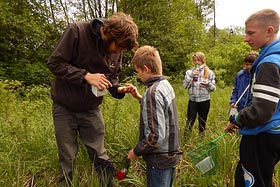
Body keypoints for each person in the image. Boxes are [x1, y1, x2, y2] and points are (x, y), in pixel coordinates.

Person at [46, 12, 138, 187]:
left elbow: (112, 78)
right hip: (65, 107)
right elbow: (55, 64)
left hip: (91, 109)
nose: (119, 52)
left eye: (122, 50)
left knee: (100, 154)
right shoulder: (77, 31)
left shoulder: (118, 48)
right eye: (118, 48)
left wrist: (118, 89)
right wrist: (85, 76)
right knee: (68, 157)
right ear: (108, 33)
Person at [225, 9, 280, 187]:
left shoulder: (268, 64)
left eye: (250, 33)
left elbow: (261, 112)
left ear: (269, 31)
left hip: (262, 135)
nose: (245, 38)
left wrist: (237, 118)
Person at [126, 45, 181, 187]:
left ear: (146, 69)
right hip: (170, 155)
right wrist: (140, 98)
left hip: (159, 159)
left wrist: (136, 151)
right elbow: (161, 113)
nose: (138, 76)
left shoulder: (152, 92)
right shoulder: (165, 84)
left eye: (138, 72)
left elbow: (155, 137)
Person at [183, 52, 216, 137]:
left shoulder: (209, 72)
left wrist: (207, 84)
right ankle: (185, 139)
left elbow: (213, 89)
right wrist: (192, 76)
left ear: (202, 60)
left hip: (204, 100)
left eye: (198, 60)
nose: (196, 62)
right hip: (193, 100)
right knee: (190, 121)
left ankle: (201, 139)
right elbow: (184, 86)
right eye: (194, 60)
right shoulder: (189, 72)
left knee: (202, 122)